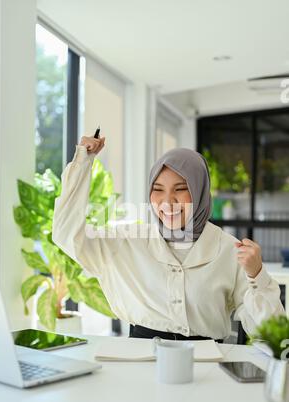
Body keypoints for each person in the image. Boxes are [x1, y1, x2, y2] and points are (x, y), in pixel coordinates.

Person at [52, 135, 285, 341]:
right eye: (158, 189)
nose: (167, 201)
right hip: (141, 362)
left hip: (208, 367)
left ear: (200, 190)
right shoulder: (128, 241)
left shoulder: (228, 249)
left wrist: (257, 275)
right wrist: (83, 163)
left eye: (181, 188)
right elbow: (67, 234)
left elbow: (270, 332)